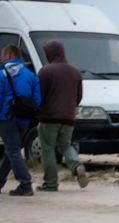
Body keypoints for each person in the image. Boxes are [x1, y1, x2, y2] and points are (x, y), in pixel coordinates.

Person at [36, 40, 88, 191]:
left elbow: (39, 95)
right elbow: (79, 96)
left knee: (48, 148)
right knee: (66, 145)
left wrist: (38, 111)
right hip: (69, 117)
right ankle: (77, 166)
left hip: (49, 117)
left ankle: (51, 183)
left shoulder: (46, 71)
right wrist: (70, 108)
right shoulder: (75, 71)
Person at [0, 44, 40, 196]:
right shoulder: (31, 75)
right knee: (12, 150)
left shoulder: (2, 75)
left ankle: (25, 183)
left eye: (2, 55)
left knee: (13, 151)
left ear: (9, 56)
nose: (1, 58)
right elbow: (37, 99)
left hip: (6, 118)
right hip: (24, 119)